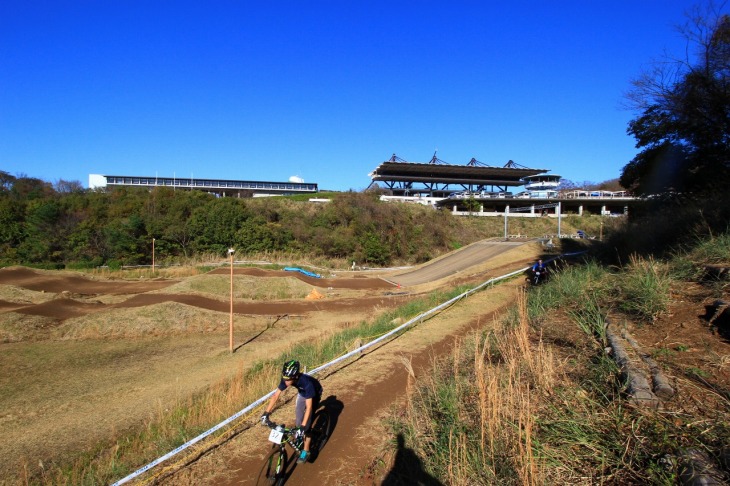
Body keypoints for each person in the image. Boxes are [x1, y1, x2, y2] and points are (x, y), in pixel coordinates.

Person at [261, 360, 323, 463]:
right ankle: (301, 432)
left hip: (313, 395)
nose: (285, 382)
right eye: (284, 378)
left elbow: (308, 407)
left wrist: (303, 427)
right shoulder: (286, 378)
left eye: (288, 379)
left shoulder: (306, 383)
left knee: (305, 426)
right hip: (302, 394)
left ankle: (306, 450)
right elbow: (275, 395)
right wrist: (266, 413)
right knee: (298, 421)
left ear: (295, 377)